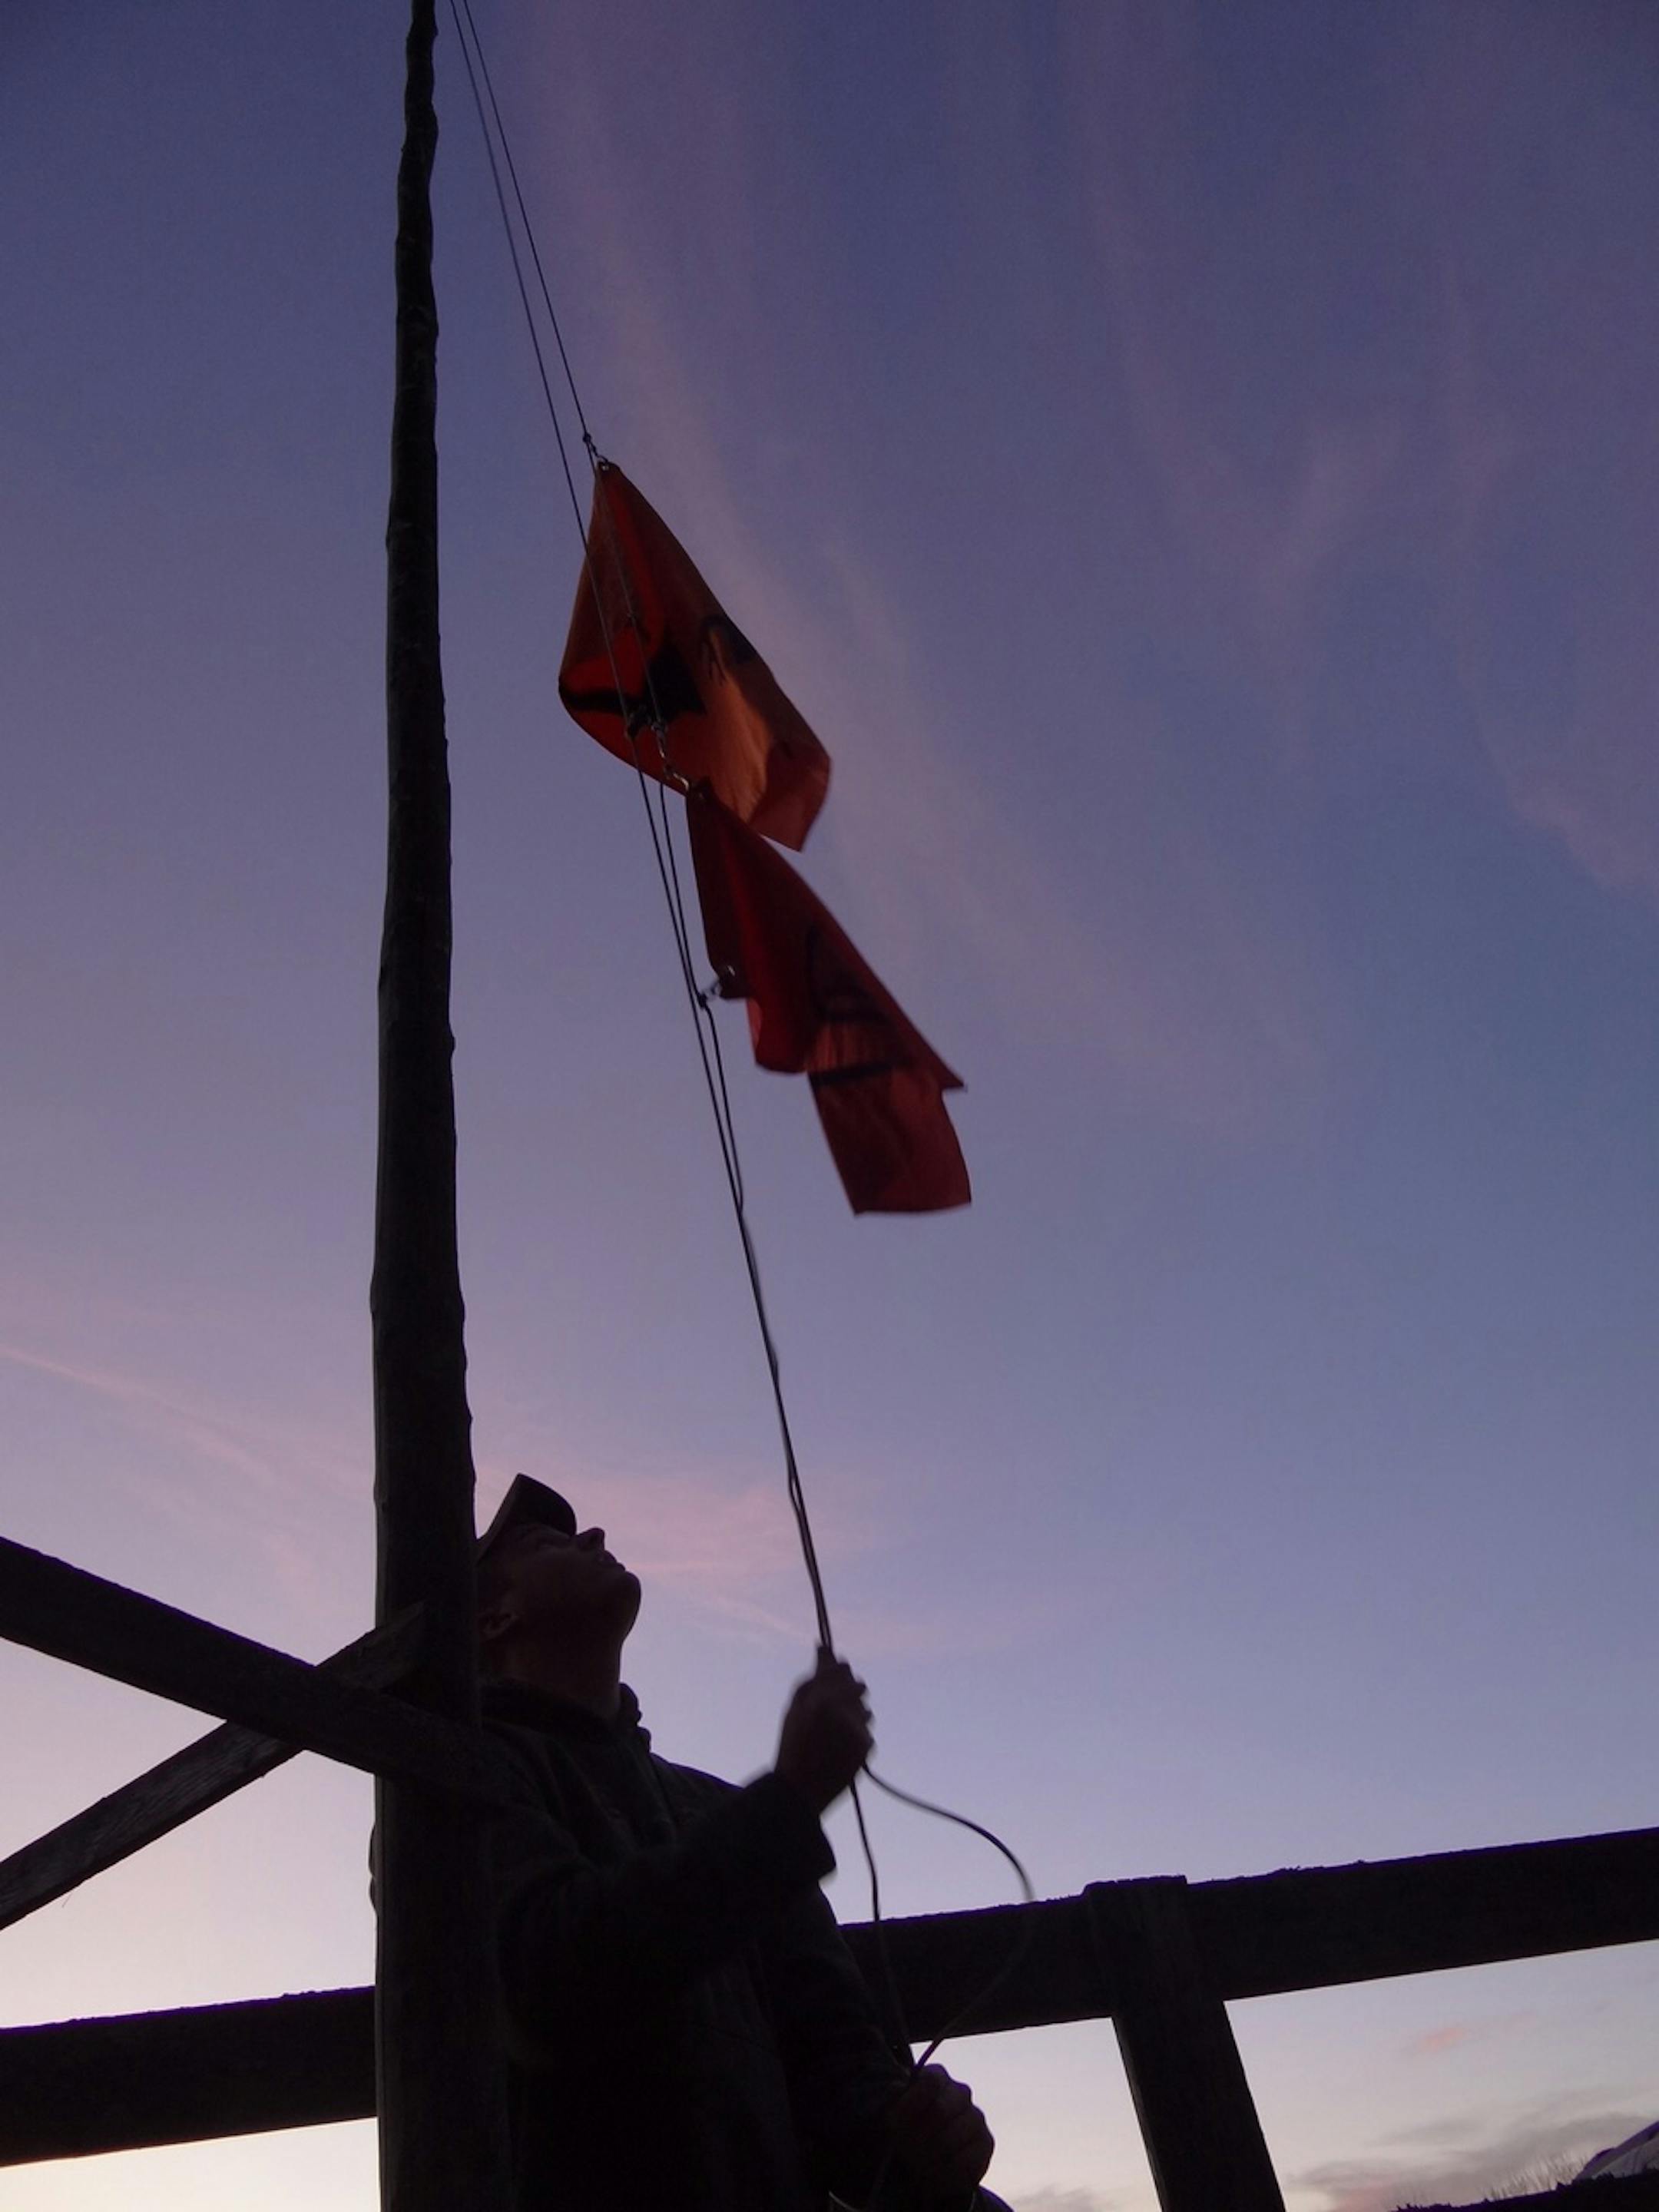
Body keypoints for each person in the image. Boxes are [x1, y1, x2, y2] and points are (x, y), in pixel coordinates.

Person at [475, 1472, 1003, 2211]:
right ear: (495, 1619)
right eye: (543, 1543)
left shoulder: (716, 1804)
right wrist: (788, 1804)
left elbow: (840, 2067)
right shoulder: (462, 1781)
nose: (593, 1536)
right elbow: (545, 1986)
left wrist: (920, 2145)